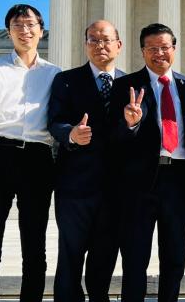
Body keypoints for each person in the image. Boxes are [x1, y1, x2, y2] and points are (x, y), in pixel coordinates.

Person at [108, 23, 185, 302]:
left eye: (164, 47)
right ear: (142, 51)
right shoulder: (125, 86)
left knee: (175, 257)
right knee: (135, 258)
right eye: (152, 48)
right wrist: (129, 124)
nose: (159, 53)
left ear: (174, 49)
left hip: (178, 182)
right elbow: (112, 138)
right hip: (139, 184)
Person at [0, 4, 60, 302]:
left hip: (37, 158)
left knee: (35, 244)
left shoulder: (54, 74)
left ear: (41, 31)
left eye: (30, 24)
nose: (25, 30)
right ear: (9, 32)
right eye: (18, 25)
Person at [48, 20, 125, 301]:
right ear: (85, 45)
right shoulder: (66, 80)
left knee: (105, 257)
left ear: (119, 45)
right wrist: (71, 134)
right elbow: (54, 122)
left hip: (114, 189)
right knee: (70, 255)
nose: (99, 45)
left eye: (105, 40)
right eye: (93, 40)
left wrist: (134, 125)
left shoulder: (130, 85)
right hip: (75, 187)